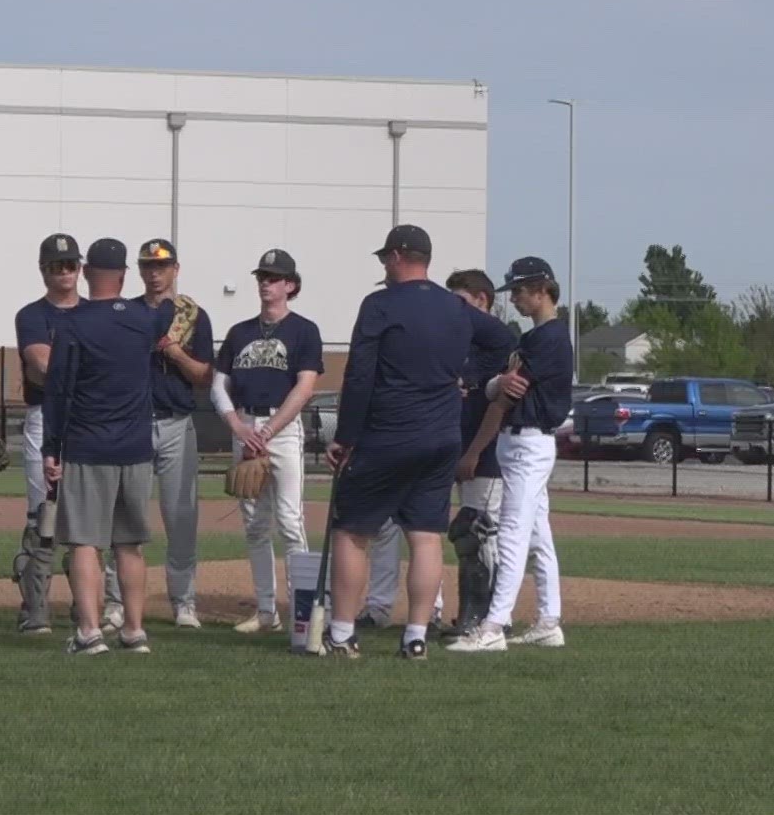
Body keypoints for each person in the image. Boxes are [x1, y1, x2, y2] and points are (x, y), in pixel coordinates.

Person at [319, 225, 513, 660]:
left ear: (399, 256)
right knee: (425, 535)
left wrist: (345, 436)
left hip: (388, 432)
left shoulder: (379, 305)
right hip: (441, 435)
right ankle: (416, 637)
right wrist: (467, 373)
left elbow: (359, 374)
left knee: (352, 531)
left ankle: (343, 633)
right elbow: (503, 339)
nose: (383, 265)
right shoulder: (455, 307)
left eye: (386, 257)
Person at [360, 268, 515, 635]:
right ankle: (431, 612)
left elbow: (498, 403)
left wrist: (474, 451)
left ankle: (492, 616)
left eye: (461, 301)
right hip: (440, 444)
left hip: (483, 449)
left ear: (481, 300)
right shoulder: (452, 338)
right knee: (419, 527)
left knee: (482, 532)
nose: (454, 308)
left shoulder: (501, 347)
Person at [43, 238, 171, 655]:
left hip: (87, 444)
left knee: (84, 541)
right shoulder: (142, 320)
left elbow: (58, 391)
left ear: (84, 271)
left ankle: (90, 632)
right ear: (123, 274)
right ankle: (134, 631)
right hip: (135, 447)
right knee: (129, 544)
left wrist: (51, 447)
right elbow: (165, 310)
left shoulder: (73, 323)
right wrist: (168, 286)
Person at [449, 257, 574, 654]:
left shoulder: (549, 337)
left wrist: (493, 391)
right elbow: (497, 389)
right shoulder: (534, 336)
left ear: (541, 289)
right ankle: (549, 621)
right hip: (520, 440)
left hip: (529, 441)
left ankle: (494, 625)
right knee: (538, 536)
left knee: (513, 534)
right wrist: (494, 386)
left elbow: (503, 396)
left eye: (519, 291)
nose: (515, 298)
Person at [12, 233, 123, 634]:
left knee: (93, 516)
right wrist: (88, 374)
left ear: (82, 269)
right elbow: (40, 364)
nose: (65, 272)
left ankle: (90, 607)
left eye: (71, 265)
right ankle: (35, 609)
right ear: (43, 271)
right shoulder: (32, 315)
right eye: (56, 265)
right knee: (44, 512)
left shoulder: (96, 313)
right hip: (47, 415)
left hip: (89, 418)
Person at [211, 249, 322, 633]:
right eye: (262, 276)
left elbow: (305, 387)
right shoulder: (240, 332)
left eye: (273, 277)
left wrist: (269, 430)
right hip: (245, 424)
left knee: (291, 522)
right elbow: (218, 385)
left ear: (290, 286)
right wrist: (237, 427)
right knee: (255, 524)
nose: (265, 282)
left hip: (282, 428)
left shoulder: (304, 330)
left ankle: (303, 614)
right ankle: (265, 612)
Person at [134, 237, 214, 628]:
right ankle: (117, 603)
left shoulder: (193, 316)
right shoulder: (127, 312)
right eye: (148, 265)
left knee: (181, 517)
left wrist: (174, 351)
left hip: (177, 423)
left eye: (162, 266)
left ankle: (184, 602)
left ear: (175, 269)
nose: (154, 273)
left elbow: (204, 376)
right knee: (126, 517)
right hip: (132, 425)